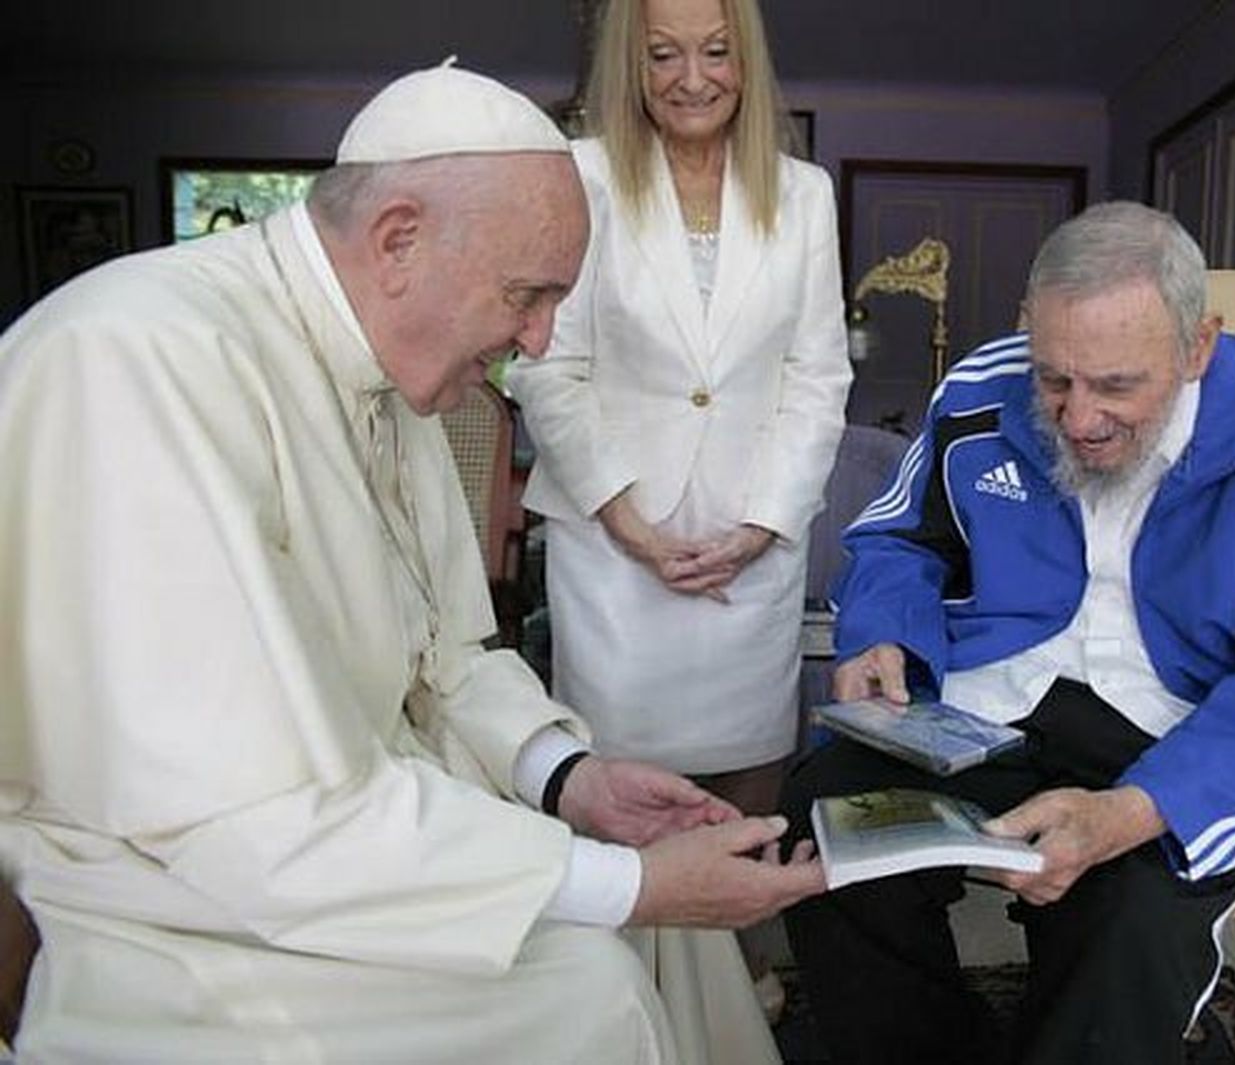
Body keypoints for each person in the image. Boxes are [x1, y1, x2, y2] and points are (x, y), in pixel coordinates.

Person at [0, 61, 823, 1065]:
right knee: (595, 984)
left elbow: (447, 658)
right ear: (398, 240)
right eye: (528, 296)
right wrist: (625, 886)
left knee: (647, 902)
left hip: (355, 838)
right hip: (176, 909)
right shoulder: (136, 361)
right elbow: (247, 815)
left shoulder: (389, 373)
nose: (537, 342)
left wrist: (570, 779)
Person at [779, 201, 1235, 1064]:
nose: (1077, 417)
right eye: (1054, 378)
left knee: (1128, 914)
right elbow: (897, 538)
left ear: (1197, 345)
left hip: (1174, 731)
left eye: (1116, 385)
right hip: (995, 704)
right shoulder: (984, 386)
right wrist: (884, 634)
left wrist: (1132, 813)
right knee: (824, 817)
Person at [503, 0, 851, 816]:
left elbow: (817, 377)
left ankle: (736, 949)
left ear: (747, 62)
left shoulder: (804, 195)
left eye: (716, 52)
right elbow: (549, 368)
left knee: (744, 804)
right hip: (617, 552)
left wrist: (761, 529)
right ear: (633, 63)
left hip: (748, 554)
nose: (692, 79)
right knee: (619, 806)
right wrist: (633, 528)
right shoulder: (580, 175)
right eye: (663, 55)